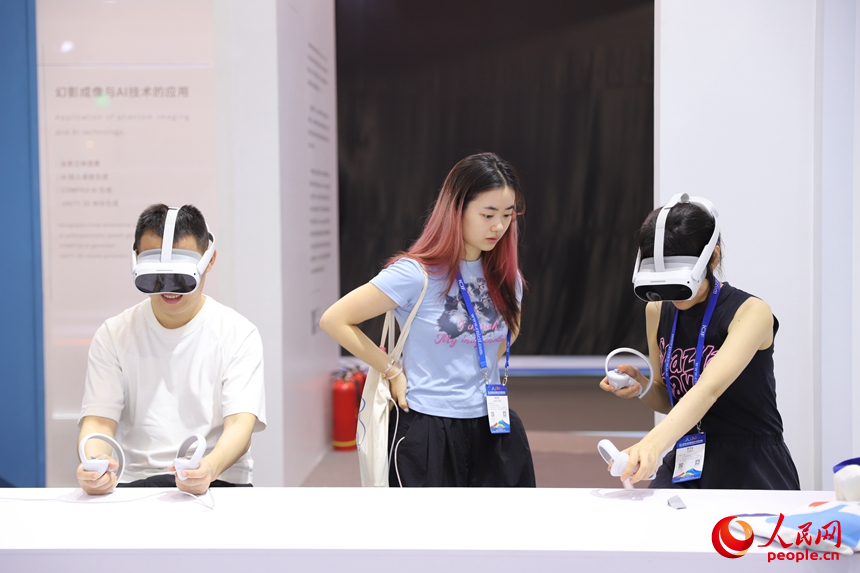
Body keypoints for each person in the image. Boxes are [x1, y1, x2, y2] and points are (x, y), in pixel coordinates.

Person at [320, 152, 535, 487]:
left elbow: (507, 335)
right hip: (429, 427)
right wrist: (392, 370)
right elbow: (335, 319)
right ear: (456, 209)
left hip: (493, 426)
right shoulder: (415, 273)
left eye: (508, 215)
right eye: (488, 214)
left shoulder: (508, 278)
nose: (499, 226)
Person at [600, 195, 799, 489]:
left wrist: (651, 445)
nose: (670, 293)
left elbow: (708, 390)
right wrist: (642, 386)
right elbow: (671, 399)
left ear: (713, 258)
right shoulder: (657, 311)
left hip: (750, 461)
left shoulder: (751, 313)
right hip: (689, 458)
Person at [76, 204, 266, 495]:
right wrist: (94, 464)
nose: (169, 288)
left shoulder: (238, 333)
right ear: (137, 259)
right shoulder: (114, 334)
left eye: (181, 277)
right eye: (156, 277)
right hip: (136, 483)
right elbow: (99, 420)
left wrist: (209, 468)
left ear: (209, 260)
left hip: (219, 481)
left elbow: (241, 423)